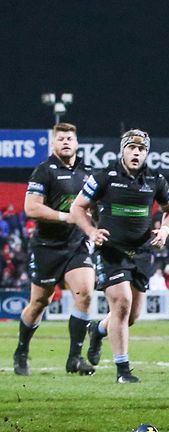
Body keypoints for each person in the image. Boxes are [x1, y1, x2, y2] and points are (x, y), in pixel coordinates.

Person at [70, 129, 169, 383]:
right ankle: (123, 371)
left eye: (141, 149)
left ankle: (97, 331)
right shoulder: (105, 176)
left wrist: (164, 229)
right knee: (122, 302)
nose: (136, 152)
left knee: (131, 316)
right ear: (123, 149)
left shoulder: (156, 179)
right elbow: (77, 207)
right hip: (110, 250)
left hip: (141, 252)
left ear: (147, 153)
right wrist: (91, 231)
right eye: (132, 147)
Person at [13, 122, 96, 376]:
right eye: (61, 139)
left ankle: (74, 358)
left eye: (70, 138)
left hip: (76, 245)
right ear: (53, 143)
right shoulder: (43, 171)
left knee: (84, 293)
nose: (66, 142)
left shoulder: (88, 172)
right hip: (47, 247)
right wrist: (67, 217)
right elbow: (31, 208)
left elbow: (96, 204)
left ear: (77, 142)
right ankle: (22, 350)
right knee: (40, 301)